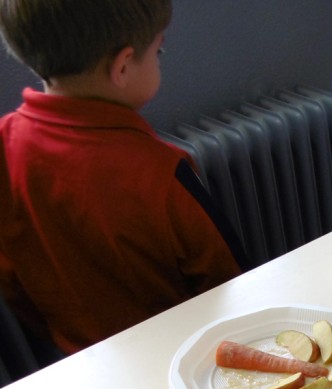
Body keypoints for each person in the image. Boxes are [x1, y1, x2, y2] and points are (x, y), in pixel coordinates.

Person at [0, 0, 245, 357]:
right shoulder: (163, 172)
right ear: (123, 66)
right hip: (179, 360)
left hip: (76, 364)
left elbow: (12, 284)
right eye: (158, 49)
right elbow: (233, 284)